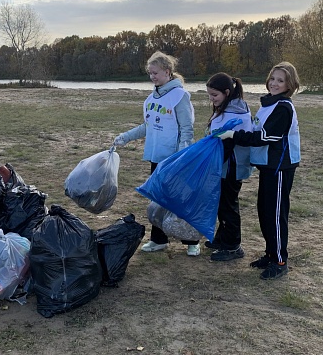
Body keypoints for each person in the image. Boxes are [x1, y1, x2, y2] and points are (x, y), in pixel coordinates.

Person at [218, 61, 300, 280]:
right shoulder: (268, 104)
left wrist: (234, 136)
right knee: (264, 211)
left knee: (276, 215)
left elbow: (264, 137)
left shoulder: (283, 107)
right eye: (272, 78)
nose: (274, 83)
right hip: (267, 166)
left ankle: (280, 261)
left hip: (280, 167)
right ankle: (270, 254)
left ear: (289, 84)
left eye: (280, 80)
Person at [113, 51, 198, 256]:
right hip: (157, 158)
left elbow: (187, 129)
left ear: (167, 72)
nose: (152, 77)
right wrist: (125, 137)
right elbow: (147, 126)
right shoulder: (152, 98)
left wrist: (182, 156)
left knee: (180, 199)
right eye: (150, 73)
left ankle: (192, 241)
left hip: (175, 159)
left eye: (155, 73)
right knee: (158, 200)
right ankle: (159, 240)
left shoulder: (180, 96)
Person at [203, 73, 253, 262]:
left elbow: (227, 144)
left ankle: (233, 246)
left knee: (228, 205)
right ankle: (222, 238)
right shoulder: (228, 107)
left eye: (214, 95)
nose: (211, 99)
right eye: (209, 95)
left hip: (231, 167)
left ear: (226, 92)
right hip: (224, 166)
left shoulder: (235, 113)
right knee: (221, 203)